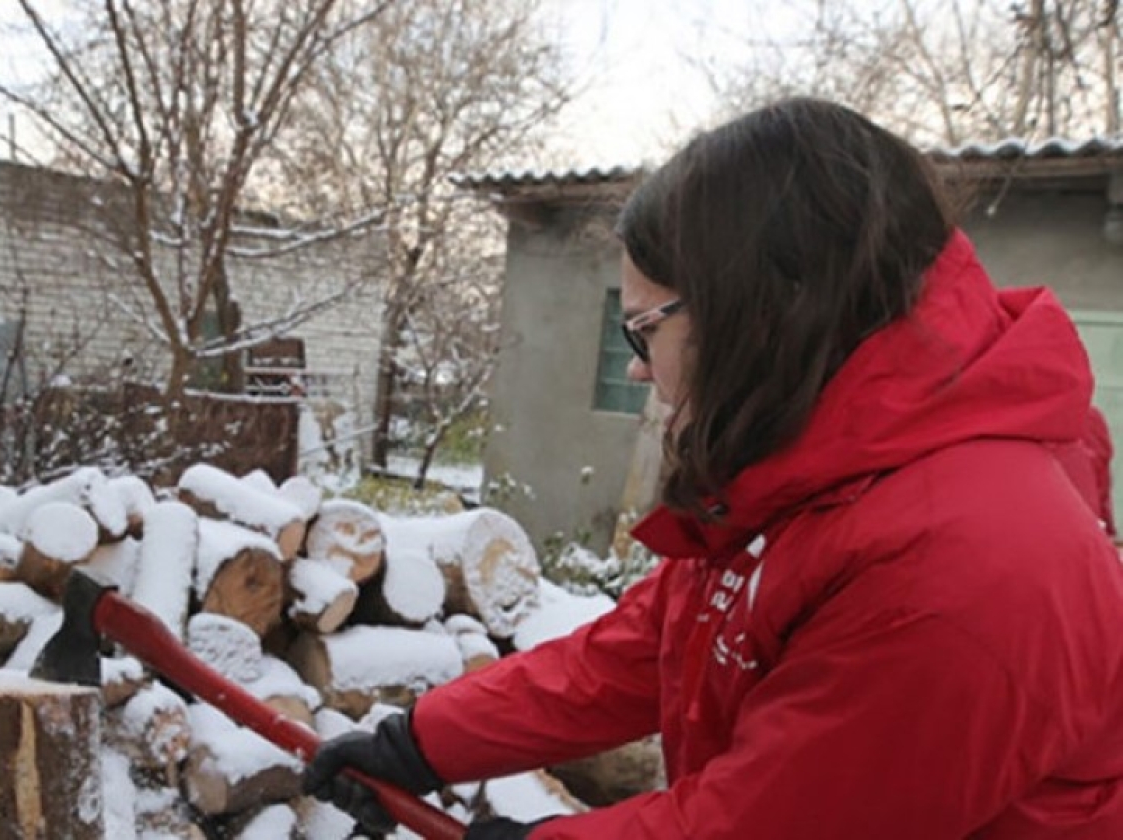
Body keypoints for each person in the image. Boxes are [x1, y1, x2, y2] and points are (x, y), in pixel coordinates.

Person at [303, 97, 1123, 839]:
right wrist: (424, 743)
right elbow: (645, 649)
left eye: (644, 330)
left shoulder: (968, 560)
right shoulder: (814, 472)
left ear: (760, 309)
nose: (635, 366)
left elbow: (778, 822)